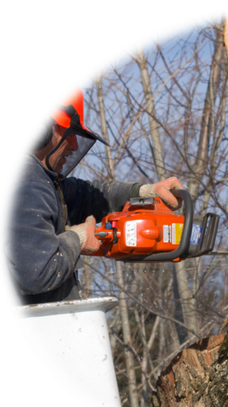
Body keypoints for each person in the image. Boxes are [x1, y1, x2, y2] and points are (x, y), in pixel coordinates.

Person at [1, 83, 184, 306]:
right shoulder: (27, 184)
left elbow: (89, 196)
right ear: (40, 129)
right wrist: (77, 239)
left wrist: (146, 191)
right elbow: (38, 274)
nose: (75, 145)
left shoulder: (40, 180)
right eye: (69, 133)